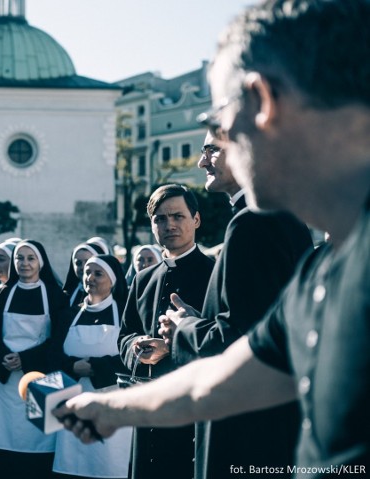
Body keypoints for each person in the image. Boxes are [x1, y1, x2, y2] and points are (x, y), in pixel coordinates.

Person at [55, 1, 370, 477]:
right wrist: (110, 411)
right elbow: (224, 379)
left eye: (217, 120)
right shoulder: (323, 269)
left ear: (260, 100)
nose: (217, 145)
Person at [158, 134, 312, 478]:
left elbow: (240, 341)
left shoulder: (251, 222)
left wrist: (184, 328)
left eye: (212, 148)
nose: (201, 162)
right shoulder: (281, 215)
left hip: (248, 429)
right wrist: (201, 320)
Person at [118, 184, 215, 479]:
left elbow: (224, 339)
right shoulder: (142, 279)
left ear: (196, 219)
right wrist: (138, 347)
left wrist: (170, 348)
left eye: (177, 216)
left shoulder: (215, 273)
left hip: (193, 414)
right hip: (146, 411)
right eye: (160, 218)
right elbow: (124, 336)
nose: (169, 224)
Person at [0, 239, 66, 479]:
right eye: (20, 258)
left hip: (43, 379)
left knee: (40, 444)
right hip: (6, 380)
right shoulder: (0, 294)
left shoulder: (55, 296)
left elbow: (59, 341)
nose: (24, 263)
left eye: (31, 258)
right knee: (3, 443)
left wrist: (26, 359)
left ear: (41, 263)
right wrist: (5, 358)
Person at [49, 254, 132, 479]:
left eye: (98, 273)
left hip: (112, 403)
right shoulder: (69, 314)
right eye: (87, 272)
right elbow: (52, 355)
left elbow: (132, 355)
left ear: (113, 280)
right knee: (73, 465)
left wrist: (95, 367)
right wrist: (73, 366)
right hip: (73, 403)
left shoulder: (126, 314)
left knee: (111, 464)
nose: (90, 278)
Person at [61, 241, 108, 308]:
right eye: (78, 263)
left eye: (88, 262)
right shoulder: (67, 294)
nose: (83, 267)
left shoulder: (108, 296)